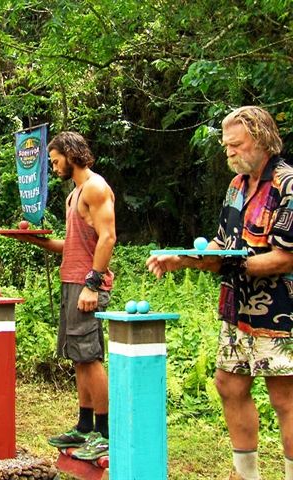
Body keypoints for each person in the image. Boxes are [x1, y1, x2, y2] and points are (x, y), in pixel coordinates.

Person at [146, 106, 293, 480]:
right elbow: (221, 244)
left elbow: (284, 257)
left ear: (260, 139)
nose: (227, 152)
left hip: (282, 311)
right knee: (229, 384)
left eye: (235, 144)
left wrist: (228, 263)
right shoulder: (236, 186)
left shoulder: (287, 185)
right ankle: (246, 474)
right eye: (225, 145)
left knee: (285, 398)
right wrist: (183, 258)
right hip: (236, 306)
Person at [7, 131, 116, 450]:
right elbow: (69, 246)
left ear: (71, 154)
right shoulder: (74, 194)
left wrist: (91, 284)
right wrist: (31, 239)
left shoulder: (95, 188)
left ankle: (106, 433)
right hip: (72, 281)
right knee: (78, 358)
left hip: (87, 285)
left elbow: (108, 238)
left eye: (55, 161)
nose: (53, 167)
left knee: (90, 356)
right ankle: (84, 425)